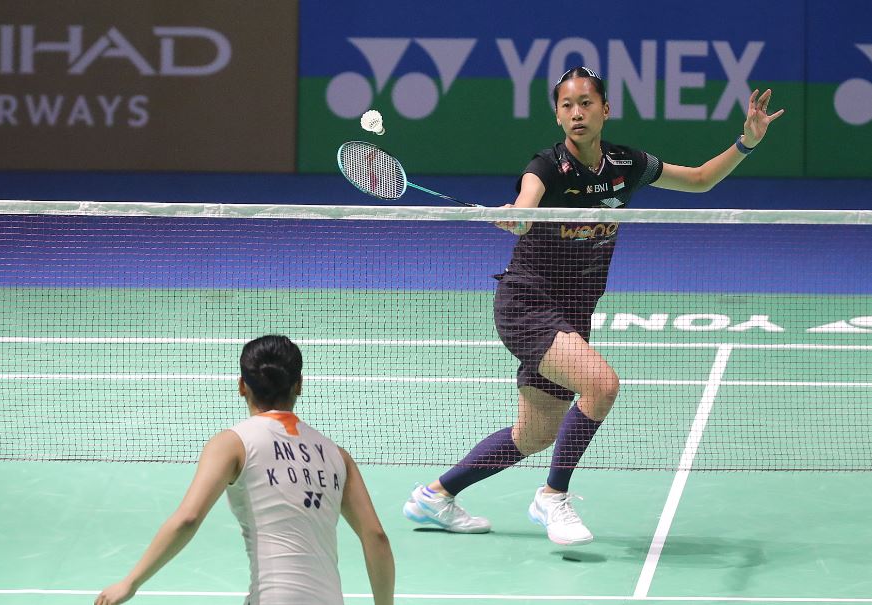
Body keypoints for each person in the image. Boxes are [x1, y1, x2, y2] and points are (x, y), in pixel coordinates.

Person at [403, 66, 784, 545]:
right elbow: (527, 200)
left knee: (535, 434)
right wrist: (518, 216)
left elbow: (701, 179)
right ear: (557, 116)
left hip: (572, 311)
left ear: (605, 109)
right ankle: (552, 496)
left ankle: (435, 496)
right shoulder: (546, 166)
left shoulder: (628, 165)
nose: (577, 113)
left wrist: (746, 142)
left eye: (586, 103)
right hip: (527, 304)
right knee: (602, 385)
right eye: (566, 105)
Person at [96, 335, 394, 605]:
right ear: (299, 385)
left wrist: (130, 583)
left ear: (242, 385)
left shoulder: (232, 444)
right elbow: (376, 536)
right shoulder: (337, 455)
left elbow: (188, 518)